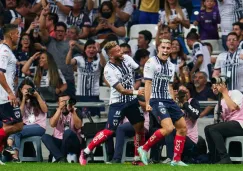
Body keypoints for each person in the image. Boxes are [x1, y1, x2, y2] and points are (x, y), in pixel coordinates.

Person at [79, 41, 145, 165]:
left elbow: (138, 69)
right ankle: (86, 151)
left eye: (120, 49)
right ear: (111, 55)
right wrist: (137, 92)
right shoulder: (108, 70)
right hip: (118, 103)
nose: (122, 52)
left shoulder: (126, 58)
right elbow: (121, 90)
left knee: (139, 127)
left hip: (131, 101)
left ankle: (137, 158)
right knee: (109, 131)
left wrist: (146, 75)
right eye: (118, 51)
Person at [137, 39, 188, 166]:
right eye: (163, 47)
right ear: (158, 48)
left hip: (168, 100)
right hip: (156, 99)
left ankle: (176, 160)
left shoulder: (171, 65)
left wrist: (174, 102)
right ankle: (144, 148)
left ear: (171, 50)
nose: (165, 50)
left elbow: (170, 86)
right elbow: (148, 84)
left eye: (168, 48)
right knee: (169, 128)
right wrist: (148, 102)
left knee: (182, 128)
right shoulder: (151, 62)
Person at [3, 79, 47, 162]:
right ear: (20, 90)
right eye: (25, 89)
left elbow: (45, 110)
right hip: (25, 126)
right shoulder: (19, 101)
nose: (27, 91)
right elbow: (19, 116)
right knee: (15, 130)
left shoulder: (38, 98)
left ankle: (15, 153)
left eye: (29, 89)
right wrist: (23, 99)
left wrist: (37, 96)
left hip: (39, 126)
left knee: (17, 131)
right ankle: (14, 156)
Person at [39, 5, 76, 97]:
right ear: (54, 31)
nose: (59, 33)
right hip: (54, 79)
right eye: (58, 31)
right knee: (53, 106)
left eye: (62, 31)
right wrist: (43, 15)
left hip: (68, 79)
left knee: (70, 107)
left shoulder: (70, 44)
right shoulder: (49, 41)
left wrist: (76, 44)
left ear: (65, 32)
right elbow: (42, 29)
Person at [0, 24, 23, 164]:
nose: (18, 36)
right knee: (17, 125)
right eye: (16, 34)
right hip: (4, 96)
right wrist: (10, 92)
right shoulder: (4, 51)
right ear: (10, 35)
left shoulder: (7, 50)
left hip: (6, 95)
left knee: (13, 126)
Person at [204, 82, 243, 164]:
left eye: (218, 85)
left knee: (213, 129)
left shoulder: (235, 93)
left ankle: (225, 157)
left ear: (224, 85)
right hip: (230, 126)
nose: (215, 87)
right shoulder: (218, 105)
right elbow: (219, 123)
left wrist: (224, 92)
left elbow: (232, 107)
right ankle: (214, 157)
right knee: (208, 129)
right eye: (214, 85)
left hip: (240, 123)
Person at [66, 39, 106, 116]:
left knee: (95, 117)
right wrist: (71, 49)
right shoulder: (79, 59)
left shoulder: (98, 59)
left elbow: (104, 65)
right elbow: (68, 62)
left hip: (94, 94)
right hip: (80, 94)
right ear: (85, 49)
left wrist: (100, 52)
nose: (91, 49)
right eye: (89, 47)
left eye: (94, 48)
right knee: (79, 116)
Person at [42, 93, 83, 163]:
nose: (65, 103)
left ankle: (60, 156)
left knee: (68, 132)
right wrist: (59, 109)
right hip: (59, 140)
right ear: (58, 103)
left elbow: (78, 126)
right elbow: (52, 124)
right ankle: (61, 158)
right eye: (62, 101)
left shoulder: (76, 111)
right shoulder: (55, 111)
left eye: (67, 101)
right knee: (45, 137)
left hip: (72, 142)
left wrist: (72, 111)